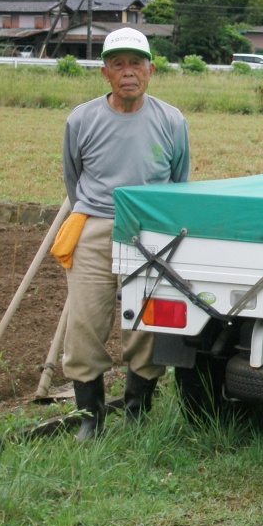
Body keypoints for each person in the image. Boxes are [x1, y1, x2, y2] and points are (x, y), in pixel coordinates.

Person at [53, 28, 190, 440]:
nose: (127, 72)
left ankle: (137, 414)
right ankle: (90, 420)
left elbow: (180, 179)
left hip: (150, 233)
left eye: (136, 63)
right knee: (85, 323)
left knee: (145, 327)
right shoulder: (81, 119)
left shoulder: (171, 120)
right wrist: (100, 215)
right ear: (105, 73)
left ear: (151, 69)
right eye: (118, 64)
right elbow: (73, 179)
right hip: (94, 227)